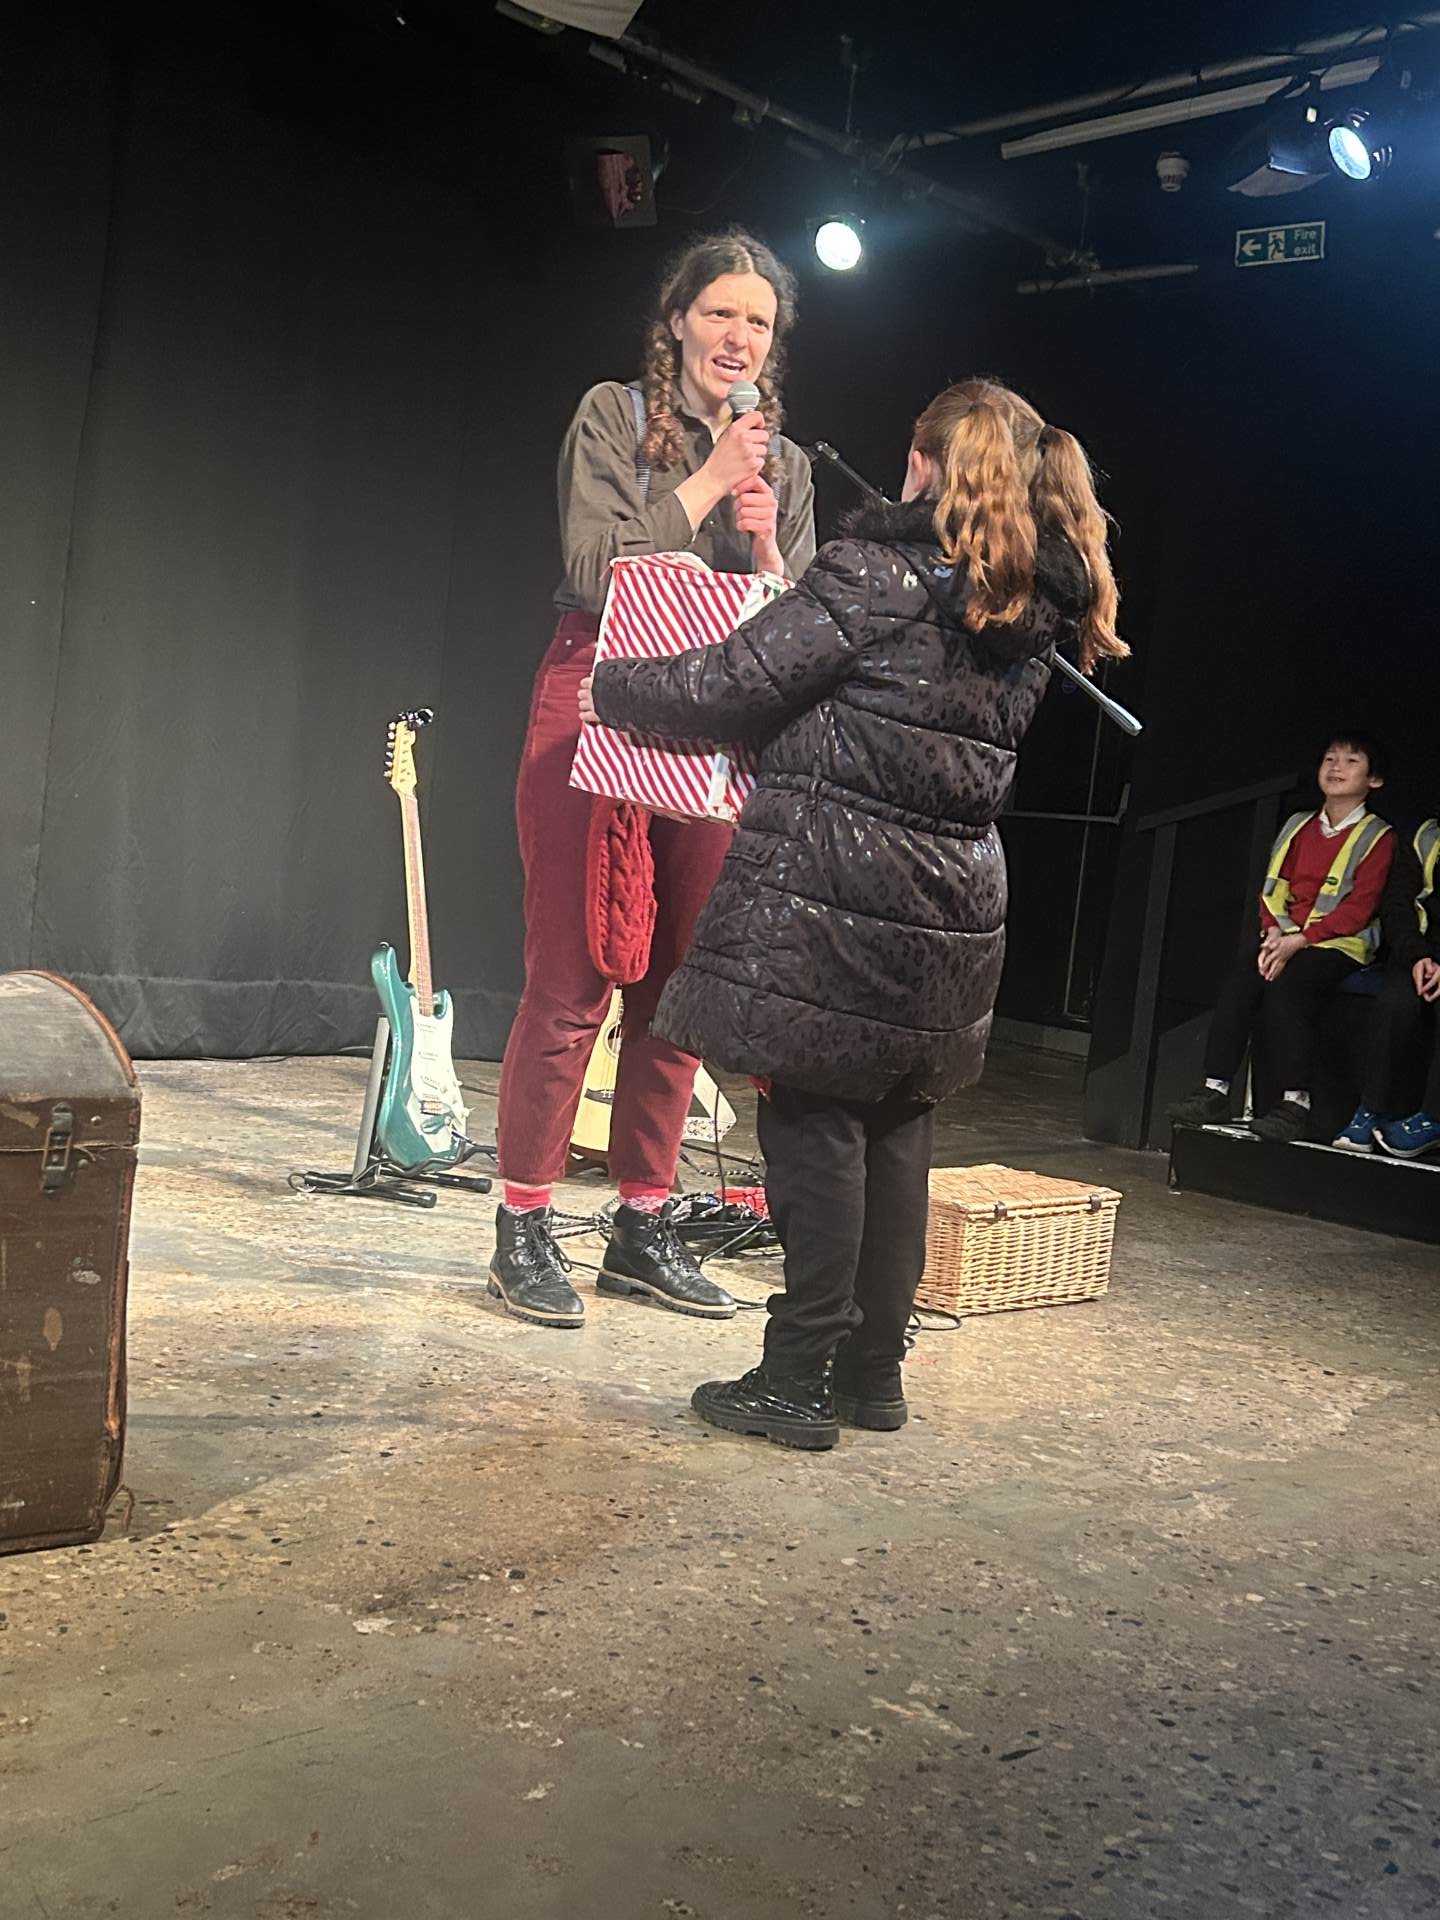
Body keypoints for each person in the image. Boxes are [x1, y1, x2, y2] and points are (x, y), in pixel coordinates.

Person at [579, 379, 1126, 1447]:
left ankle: (794, 1379)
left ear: (923, 462)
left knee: (815, 1128)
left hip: (834, 897)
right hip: (951, 912)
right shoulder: (1026, 606)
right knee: (895, 1129)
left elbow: (730, 685)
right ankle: (872, 1377)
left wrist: (612, 684)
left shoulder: (874, 574)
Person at [490, 230, 817, 1330]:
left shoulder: (789, 466)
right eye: (720, 312)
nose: (738, 336)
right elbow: (592, 568)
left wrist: (767, 552)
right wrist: (709, 480)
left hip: (711, 719)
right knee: (573, 974)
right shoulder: (614, 416)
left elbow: (798, 630)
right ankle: (525, 1223)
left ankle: (642, 1224)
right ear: (677, 321)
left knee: (679, 989)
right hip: (596, 692)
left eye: (758, 322)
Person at [1167, 733, 1395, 1143]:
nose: (1336, 768)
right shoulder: (1297, 825)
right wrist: (1276, 933)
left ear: (1373, 780)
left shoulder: (1378, 836)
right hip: (1287, 938)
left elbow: (1358, 909)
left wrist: (1299, 942)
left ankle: (1295, 1103)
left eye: (1351, 761)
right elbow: (1273, 888)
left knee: (1288, 987)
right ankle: (1216, 1089)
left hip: (1339, 943)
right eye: (1329, 759)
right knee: (1241, 979)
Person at [1333, 814, 1440, 1156]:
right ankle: (1371, 1108)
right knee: (1396, 1002)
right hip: (1419, 954)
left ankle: (1432, 1119)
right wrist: (1418, 956)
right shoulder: (1426, 835)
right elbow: (1397, 905)